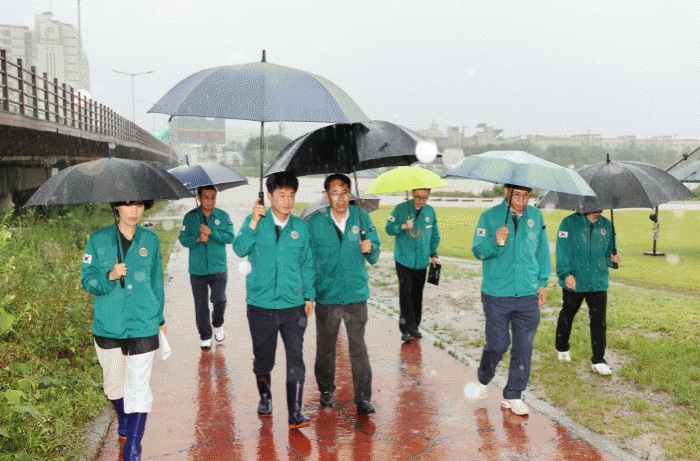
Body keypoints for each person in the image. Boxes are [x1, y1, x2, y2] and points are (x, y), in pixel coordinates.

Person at [81, 200, 165, 461]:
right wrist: (109, 276)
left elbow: (156, 281)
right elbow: (87, 279)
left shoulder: (150, 240)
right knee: (114, 386)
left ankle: (133, 449)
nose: (134, 211)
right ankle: (123, 418)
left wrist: (159, 317)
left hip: (143, 322)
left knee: (139, 388)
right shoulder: (98, 240)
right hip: (109, 324)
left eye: (139, 205)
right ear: (116, 207)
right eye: (128, 205)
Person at [233, 172, 315, 429]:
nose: (287, 201)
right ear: (269, 196)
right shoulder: (256, 221)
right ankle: (265, 397)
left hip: (293, 306)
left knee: (296, 357)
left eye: (291, 195)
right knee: (263, 359)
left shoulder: (300, 226)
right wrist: (253, 222)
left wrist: (309, 295)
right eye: (281, 195)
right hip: (261, 306)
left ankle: (295, 412)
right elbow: (239, 248)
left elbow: (307, 263)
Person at [466, 184, 550, 416]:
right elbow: (478, 251)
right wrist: (494, 241)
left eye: (526, 196)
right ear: (506, 191)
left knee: (524, 347)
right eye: (517, 195)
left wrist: (542, 283)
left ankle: (513, 395)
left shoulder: (536, 216)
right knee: (498, 345)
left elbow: (542, 252)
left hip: (527, 293)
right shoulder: (489, 216)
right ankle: (484, 377)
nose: (522, 201)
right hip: (497, 293)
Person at [307, 174, 381, 415]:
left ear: (351, 194)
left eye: (345, 192)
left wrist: (370, 248)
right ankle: (326, 390)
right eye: (335, 193)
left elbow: (375, 252)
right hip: (327, 296)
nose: (341, 198)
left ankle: (363, 398)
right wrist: (308, 293)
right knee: (325, 347)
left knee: (358, 348)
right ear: (326, 195)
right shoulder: (315, 222)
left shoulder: (362, 217)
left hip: (355, 296)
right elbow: (307, 260)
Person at [554, 210, 621, 375]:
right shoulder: (568, 223)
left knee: (599, 321)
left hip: (598, 281)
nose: (597, 210)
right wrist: (566, 274)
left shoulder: (606, 224)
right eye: (593, 205)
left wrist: (612, 259)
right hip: (575, 279)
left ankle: (598, 360)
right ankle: (562, 348)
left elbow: (609, 252)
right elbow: (562, 251)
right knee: (568, 314)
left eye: (600, 206)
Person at [178, 185, 234, 349]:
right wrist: (197, 239)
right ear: (199, 198)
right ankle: (205, 335)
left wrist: (212, 233)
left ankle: (218, 324)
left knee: (219, 300)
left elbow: (230, 237)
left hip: (218, 267)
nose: (210, 201)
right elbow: (183, 239)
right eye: (206, 197)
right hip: (198, 269)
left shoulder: (223, 216)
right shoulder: (190, 217)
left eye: (213, 197)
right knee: (201, 305)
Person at [385, 188, 440, 341]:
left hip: (422, 261)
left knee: (417, 293)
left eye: (424, 197)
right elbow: (388, 228)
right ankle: (406, 329)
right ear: (412, 193)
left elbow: (434, 234)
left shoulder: (430, 211)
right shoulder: (400, 209)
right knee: (406, 293)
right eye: (417, 196)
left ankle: (415, 326)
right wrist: (402, 226)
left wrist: (433, 255)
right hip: (404, 259)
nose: (420, 200)